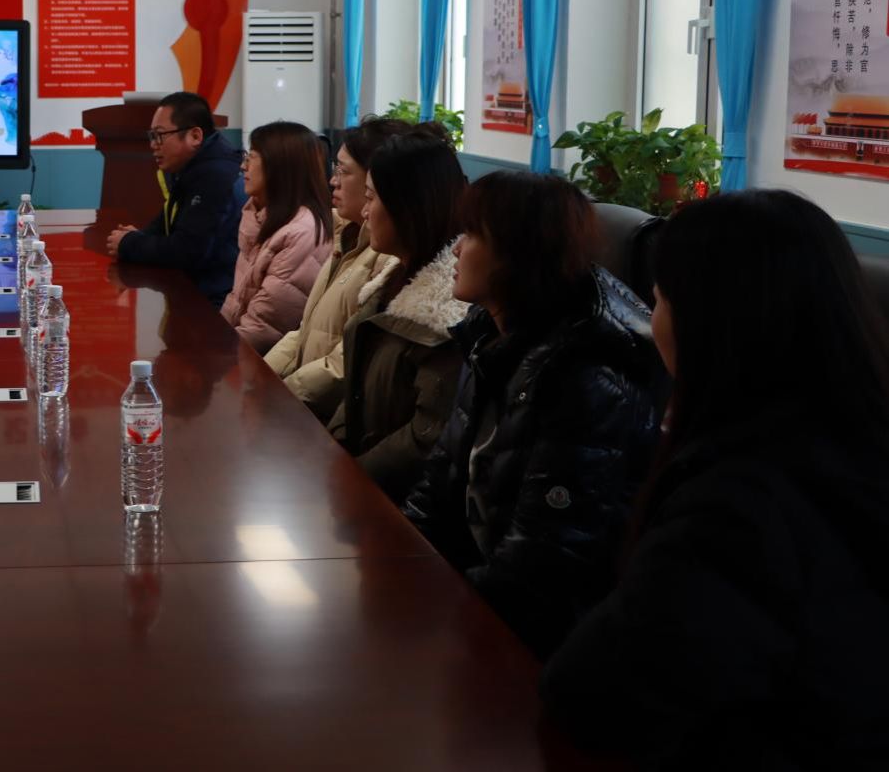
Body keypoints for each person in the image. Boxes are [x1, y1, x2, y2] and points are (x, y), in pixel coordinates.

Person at [542, 190, 889, 769]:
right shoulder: (847, 442)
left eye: (658, 300)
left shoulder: (738, 510)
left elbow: (591, 696)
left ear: (710, 326)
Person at [400, 171, 666, 657]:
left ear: (516, 253)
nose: (455, 249)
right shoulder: (487, 335)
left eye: (471, 234)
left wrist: (434, 612)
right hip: (472, 597)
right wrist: (396, 558)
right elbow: (441, 476)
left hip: (531, 641)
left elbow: (540, 563)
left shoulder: (584, 378)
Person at [333, 130, 468, 501]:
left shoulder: (448, 312)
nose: (364, 212)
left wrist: (350, 478)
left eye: (372, 198)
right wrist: (333, 452)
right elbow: (356, 391)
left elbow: (425, 437)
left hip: (395, 506)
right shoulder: (392, 279)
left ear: (409, 207)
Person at [265, 116, 412, 421]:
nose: (333, 180)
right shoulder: (347, 234)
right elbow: (305, 331)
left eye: (344, 171)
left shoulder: (388, 257)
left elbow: (345, 361)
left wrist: (282, 395)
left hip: (326, 418)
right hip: (302, 406)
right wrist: (261, 377)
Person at [106, 91, 245, 307]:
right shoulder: (191, 168)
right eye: (152, 136)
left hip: (215, 304)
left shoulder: (216, 176)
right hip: (193, 292)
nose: (153, 144)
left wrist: (130, 244)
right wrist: (137, 237)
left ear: (195, 136)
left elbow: (187, 251)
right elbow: (167, 222)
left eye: (160, 135)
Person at [220, 121, 333, 353]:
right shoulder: (262, 217)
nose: (243, 166)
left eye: (251, 158)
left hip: (262, 363)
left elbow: (265, 327)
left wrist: (214, 354)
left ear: (279, 167)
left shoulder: (302, 231)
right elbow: (236, 301)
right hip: (239, 350)